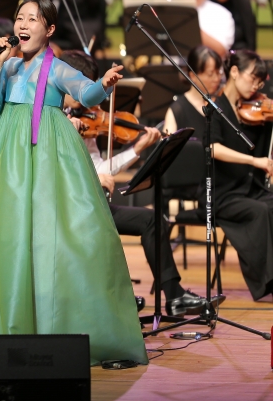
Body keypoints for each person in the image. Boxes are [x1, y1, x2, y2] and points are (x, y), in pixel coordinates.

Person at [0, 0, 146, 371]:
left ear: (50, 29)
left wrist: (104, 84)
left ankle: (54, 325)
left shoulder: (56, 68)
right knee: (8, 235)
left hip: (44, 153)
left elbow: (85, 92)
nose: (23, 25)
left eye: (32, 19)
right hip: (6, 151)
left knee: (53, 234)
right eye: (19, 18)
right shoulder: (8, 66)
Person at [60, 50, 220, 316]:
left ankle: (175, 296)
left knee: (153, 220)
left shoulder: (84, 118)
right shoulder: (50, 118)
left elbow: (100, 169)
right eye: (84, 86)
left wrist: (137, 149)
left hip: (90, 204)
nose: (89, 95)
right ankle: (114, 295)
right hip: (66, 208)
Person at [202, 50, 273, 301]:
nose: (255, 86)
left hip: (248, 189)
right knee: (259, 211)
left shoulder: (254, 110)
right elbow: (213, 148)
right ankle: (267, 282)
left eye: (260, 83)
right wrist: (254, 161)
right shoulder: (215, 109)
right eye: (252, 79)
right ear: (234, 72)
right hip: (222, 194)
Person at [164, 46, 224, 142]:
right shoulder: (178, 109)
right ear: (193, 76)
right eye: (210, 74)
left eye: (218, 73)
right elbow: (167, 146)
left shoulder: (221, 103)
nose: (217, 79)